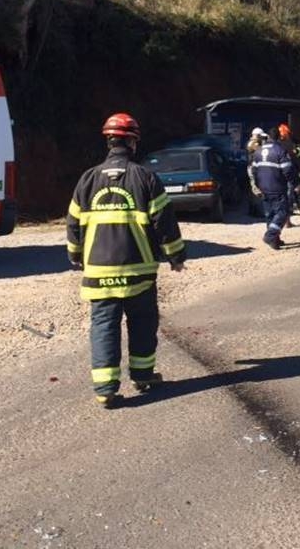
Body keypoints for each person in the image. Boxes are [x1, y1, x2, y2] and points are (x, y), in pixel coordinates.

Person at [66, 112, 187, 409]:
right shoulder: (145, 177)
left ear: (108, 140)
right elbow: (164, 221)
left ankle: (105, 388)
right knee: (142, 323)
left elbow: (73, 223)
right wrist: (175, 255)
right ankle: (143, 376)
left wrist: (75, 256)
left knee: (104, 326)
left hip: (98, 272)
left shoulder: (88, 178)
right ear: (133, 142)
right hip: (139, 272)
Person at [251, 126, 295, 249]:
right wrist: (294, 182)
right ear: (279, 137)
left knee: (270, 214)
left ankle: (274, 240)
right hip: (277, 186)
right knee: (282, 212)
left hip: (263, 187)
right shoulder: (280, 150)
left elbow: (254, 170)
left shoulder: (258, 151)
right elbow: (288, 170)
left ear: (268, 137)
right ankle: (270, 235)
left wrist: (258, 184)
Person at [278, 123, 300, 217]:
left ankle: (299, 210)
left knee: (294, 190)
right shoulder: (293, 142)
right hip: (292, 169)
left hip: (291, 169)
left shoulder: (281, 143)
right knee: (296, 190)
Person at [245, 127, 267, 217]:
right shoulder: (253, 144)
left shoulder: (254, 143)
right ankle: (256, 211)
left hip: (255, 167)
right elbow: (260, 150)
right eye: (260, 136)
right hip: (253, 168)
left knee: (255, 188)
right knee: (256, 189)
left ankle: (254, 210)